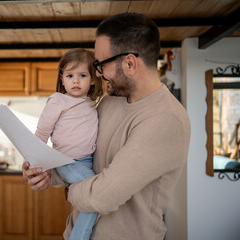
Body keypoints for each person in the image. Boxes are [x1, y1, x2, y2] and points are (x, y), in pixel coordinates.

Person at [23, 12, 191, 240]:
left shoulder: (165, 119)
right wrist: (49, 174)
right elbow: (85, 157)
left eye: (100, 65)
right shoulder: (110, 101)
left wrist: (70, 190)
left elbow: (102, 196)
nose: (98, 75)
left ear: (130, 64)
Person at [34, 48, 103, 240]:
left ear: (92, 80)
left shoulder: (92, 103)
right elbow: (42, 132)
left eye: (82, 75)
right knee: (95, 195)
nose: (75, 80)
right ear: (62, 78)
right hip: (68, 161)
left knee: (88, 203)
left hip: (88, 161)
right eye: (70, 75)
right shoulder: (58, 101)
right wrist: (34, 160)